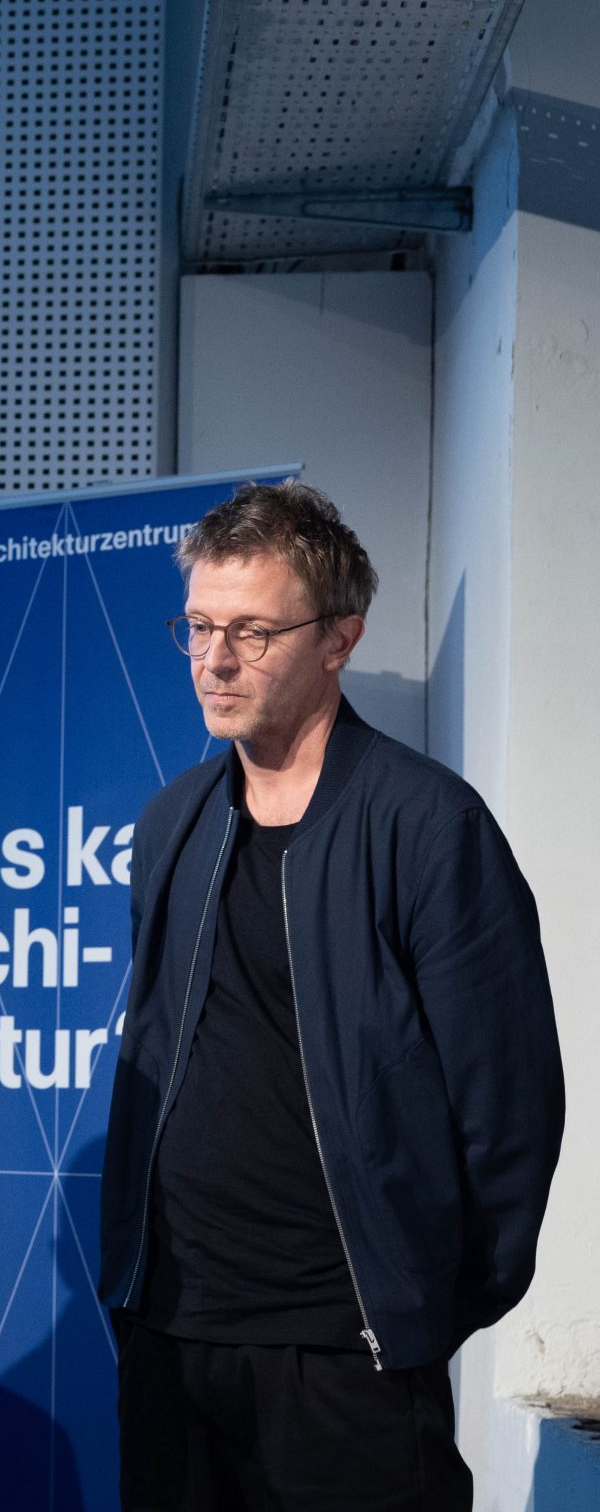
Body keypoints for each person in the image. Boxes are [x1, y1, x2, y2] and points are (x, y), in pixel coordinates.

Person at [97, 481, 564, 1511]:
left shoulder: (426, 824)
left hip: (344, 1349)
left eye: (252, 633)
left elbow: (508, 1107)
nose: (214, 661)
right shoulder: (172, 821)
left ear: (339, 638)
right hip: (173, 1340)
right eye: (199, 627)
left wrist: (419, 1306)